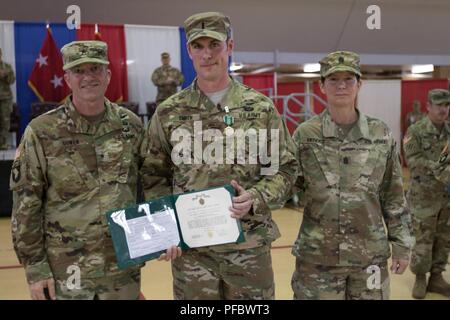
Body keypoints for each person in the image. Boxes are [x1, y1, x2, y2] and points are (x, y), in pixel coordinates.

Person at [140, 12, 298, 299]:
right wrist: (165, 229)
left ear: (230, 46)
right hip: (192, 254)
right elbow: (153, 176)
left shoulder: (260, 108)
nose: (207, 54)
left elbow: (283, 169)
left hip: (248, 249)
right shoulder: (169, 112)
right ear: (189, 51)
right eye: (198, 46)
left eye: (214, 45)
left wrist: (257, 197)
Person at [10, 40, 180, 300]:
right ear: (67, 78)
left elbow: (149, 183)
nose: (88, 77)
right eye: (79, 71)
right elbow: (26, 204)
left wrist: (161, 234)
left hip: (122, 268)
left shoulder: (130, 126)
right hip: (66, 270)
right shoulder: (42, 131)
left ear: (108, 75)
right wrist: (35, 268)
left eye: (95, 69)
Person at [291, 51, 414, 300]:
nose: (341, 85)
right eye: (333, 79)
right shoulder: (305, 135)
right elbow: (285, 184)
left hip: (368, 257)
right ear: (322, 85)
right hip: (318, 258)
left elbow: (393, 193)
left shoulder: (380, 133)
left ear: (359, 84)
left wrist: (401, 244)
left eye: (349, 78)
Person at [403, 88, 450, 299]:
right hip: (423, 199)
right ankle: (420, 277)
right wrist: (442, 168)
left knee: (443, 239)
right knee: (423, 240)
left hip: (446, 199)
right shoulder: (415, 131)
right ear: (428, 106)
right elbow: (414, 162)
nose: (444, 110)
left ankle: (437, 277)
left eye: (447, 106)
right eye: (439, 105)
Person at [0, 47, 16, 150]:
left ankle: (3, 144)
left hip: (5, 99)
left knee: (5, 122)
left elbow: (12, 81)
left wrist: (5, 75)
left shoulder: (7, 67)